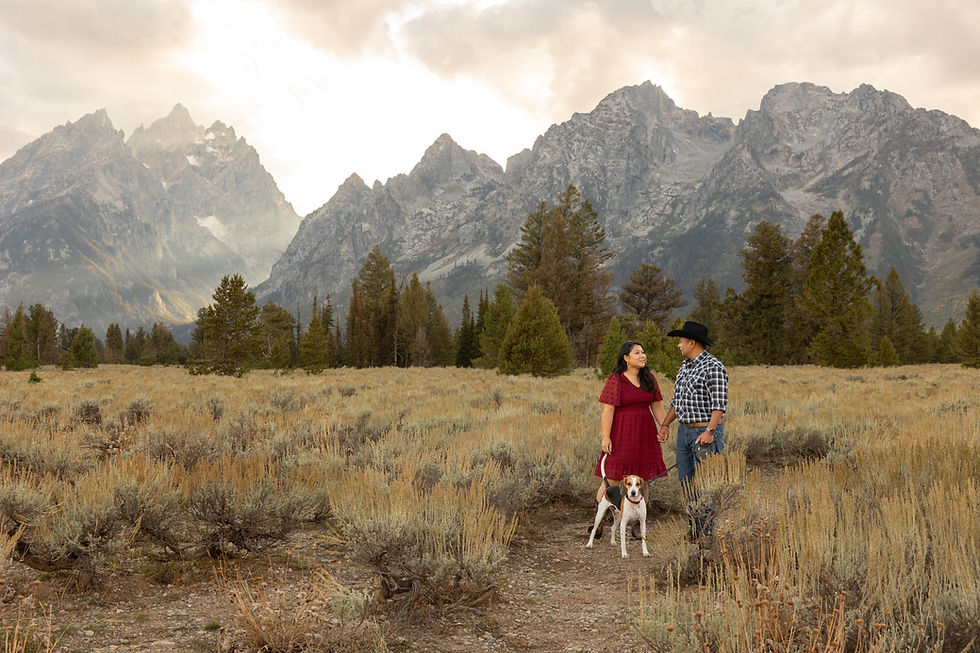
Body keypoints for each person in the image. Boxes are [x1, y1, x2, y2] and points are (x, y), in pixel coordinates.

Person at [658, 321, 728, 540]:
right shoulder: (684, 367)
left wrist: (710, 431)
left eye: (680, 341)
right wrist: (666, 423)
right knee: (686, 483)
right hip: (684, 433)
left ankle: (707, 533)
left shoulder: (713, 367)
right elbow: (677, 401)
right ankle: (694, 530)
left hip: (704, 432)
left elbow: (719, 404)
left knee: (706, 484)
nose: (678, 345)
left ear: (692, 342)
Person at [593, 342, 669, 536]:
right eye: (637, 353)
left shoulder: (649, 379)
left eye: (643, 352)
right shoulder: (616, 379)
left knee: (643, 478)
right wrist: (606, 437)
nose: (643, 356)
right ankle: (599, 520)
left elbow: (657, 406)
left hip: (645, 434)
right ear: (626, 358)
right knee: (612, 476)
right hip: (621, 433)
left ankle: (637, 524)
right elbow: (608, 410)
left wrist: (664, 426)